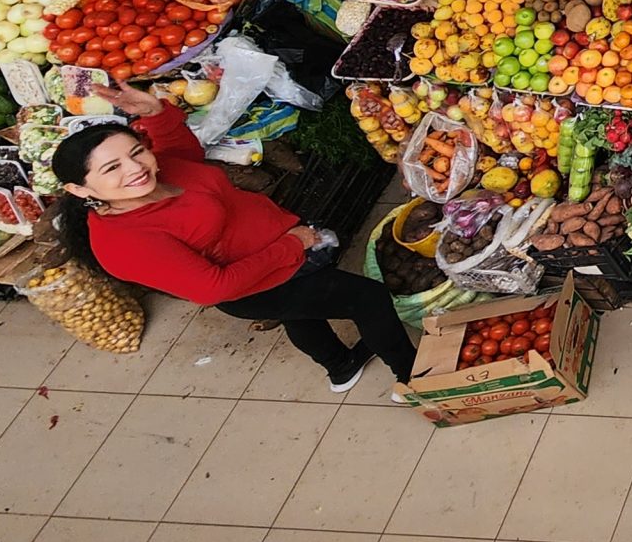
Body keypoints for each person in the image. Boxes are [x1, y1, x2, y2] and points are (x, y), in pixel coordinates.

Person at [53, 81, 415, 393]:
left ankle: (341, 366)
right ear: (80, 189)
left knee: (301, 315)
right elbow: (214, 288)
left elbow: (184, 154)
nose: (135, 169)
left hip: (281, 245)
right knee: (368, 299)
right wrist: (292, 245)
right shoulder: (123, 243)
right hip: (259, 283)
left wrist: (157, 113)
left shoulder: (159, 172)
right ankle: (414, 379)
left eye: (136, 152)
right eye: (112, 168)